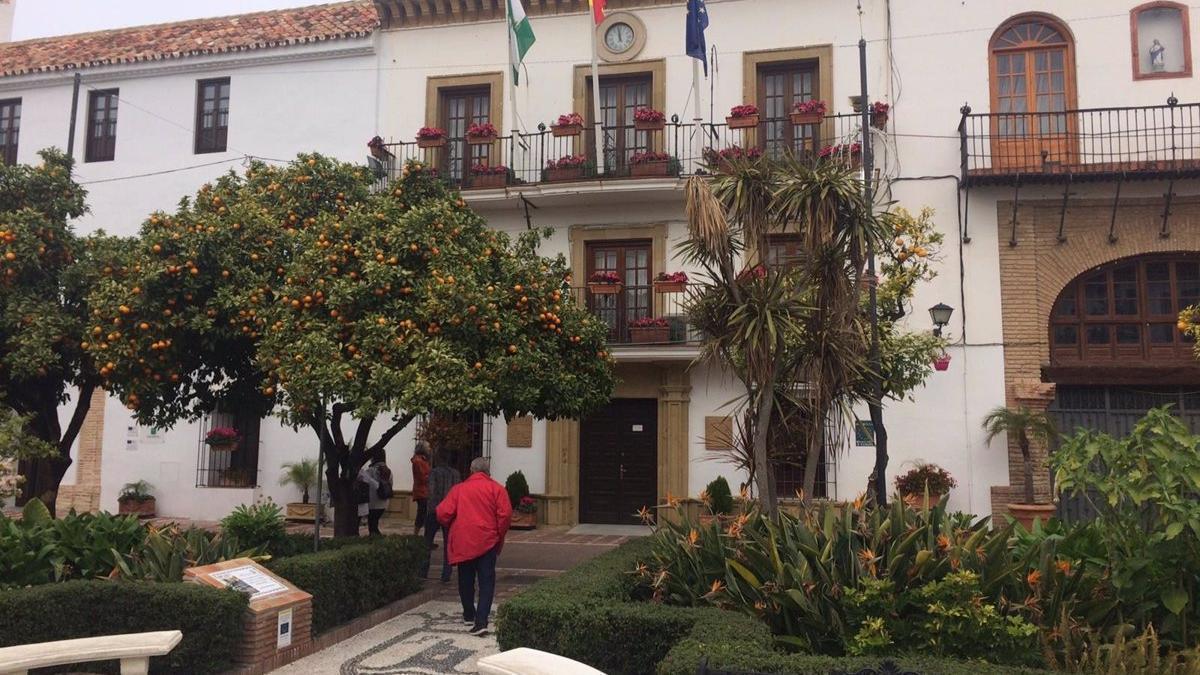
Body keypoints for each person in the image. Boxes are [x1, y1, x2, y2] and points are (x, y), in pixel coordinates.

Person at [436, 457, 511, 637]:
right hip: (487, 541)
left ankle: (469, 614)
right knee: (486, 581)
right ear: (488, 471)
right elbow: (505, 515)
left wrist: (452, 524)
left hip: (464, 540)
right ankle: (481, 621)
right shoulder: (497, 489)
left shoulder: (459, 490)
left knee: (465, 580)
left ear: (471, 470)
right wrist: (498, 534)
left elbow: (442, 512)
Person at [420, 451, 461, 581]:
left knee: (427, 541)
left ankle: (423, 570)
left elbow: (431, 493)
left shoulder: (434, 473)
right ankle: (446, 573)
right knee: (448, 542)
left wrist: (430, 510)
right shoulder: (456, 474)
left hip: (435, 511)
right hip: (450, 511)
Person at [357, 451, 392, 535]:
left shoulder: (371, 470)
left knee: (372, 526)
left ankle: (374, 541)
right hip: (384, 502)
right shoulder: (388, 471)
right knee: (374, 524)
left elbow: (363, 480)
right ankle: (376, 540)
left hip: (372, 503)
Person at [411, 442, 431, 536]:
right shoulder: (419, 461)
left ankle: (424, 536)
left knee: (424, 514)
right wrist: (431, 477)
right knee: (422, 514)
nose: (429, 449)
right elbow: (422, 477)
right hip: (422, 491)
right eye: (428, 447)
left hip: (424, 490)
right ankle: (416, 535)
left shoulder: (423, 460)